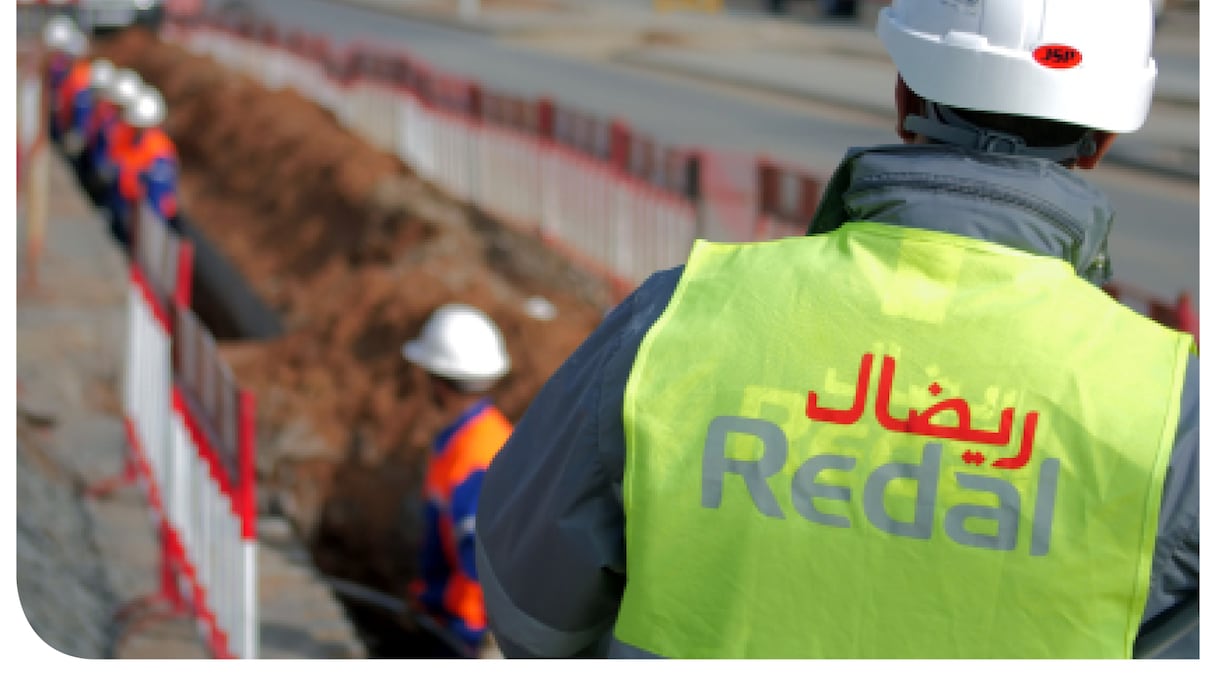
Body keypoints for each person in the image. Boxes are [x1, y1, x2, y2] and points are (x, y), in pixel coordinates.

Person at [475, 0, 1198, 659]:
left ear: (904, 96)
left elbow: (529, 606)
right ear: (1103, 139)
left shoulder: (676, 319)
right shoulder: (1177, 413)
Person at [401, 304, 514, 658]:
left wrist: (462, 629)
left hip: (472, 633)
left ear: (437, 381)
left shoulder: (471, 458)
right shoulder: (491, 435)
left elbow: (479, 560)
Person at [109, 86, 183, 249]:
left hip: (147, 221)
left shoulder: (159, 151)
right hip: (128, 207)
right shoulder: (134, 139)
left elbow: (158, 197)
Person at [42, 15, 88, 146]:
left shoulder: (78, 75)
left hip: (67, 122)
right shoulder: (59, 67)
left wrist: (77, 131)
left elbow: (79, 105)